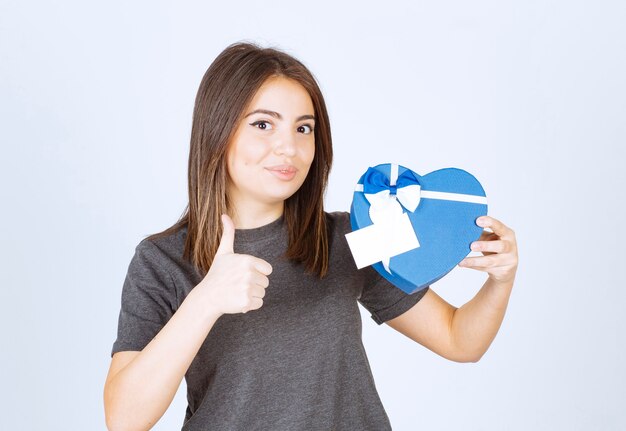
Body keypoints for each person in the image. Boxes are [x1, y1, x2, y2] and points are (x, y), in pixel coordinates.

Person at [103, 41, 519, 431]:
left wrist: (500, 281)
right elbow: (124, 418)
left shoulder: (350, 238)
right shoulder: (162, 260)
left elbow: (458, 340)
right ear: (218, 131)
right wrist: (205, 301)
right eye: (263, 124)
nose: (289, 147)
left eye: (304, 129)